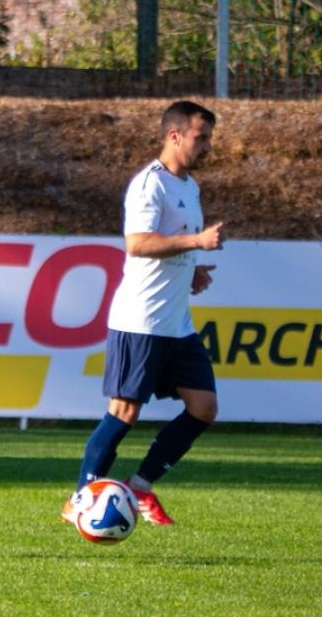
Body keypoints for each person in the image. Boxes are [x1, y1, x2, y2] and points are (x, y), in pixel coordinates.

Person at [63, 99, 225, 529]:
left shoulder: (189, 186)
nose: (207, 145)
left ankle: (139, 486)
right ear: (175, 135)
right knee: (124, 412)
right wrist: (195, 245)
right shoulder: (148, 184)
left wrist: (192, 272)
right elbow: (136, 244)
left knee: (204, 407)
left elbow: (169, 245)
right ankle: (80, 499)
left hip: (177, 323)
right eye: (200, 137)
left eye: (208, 137)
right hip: (141, 319)